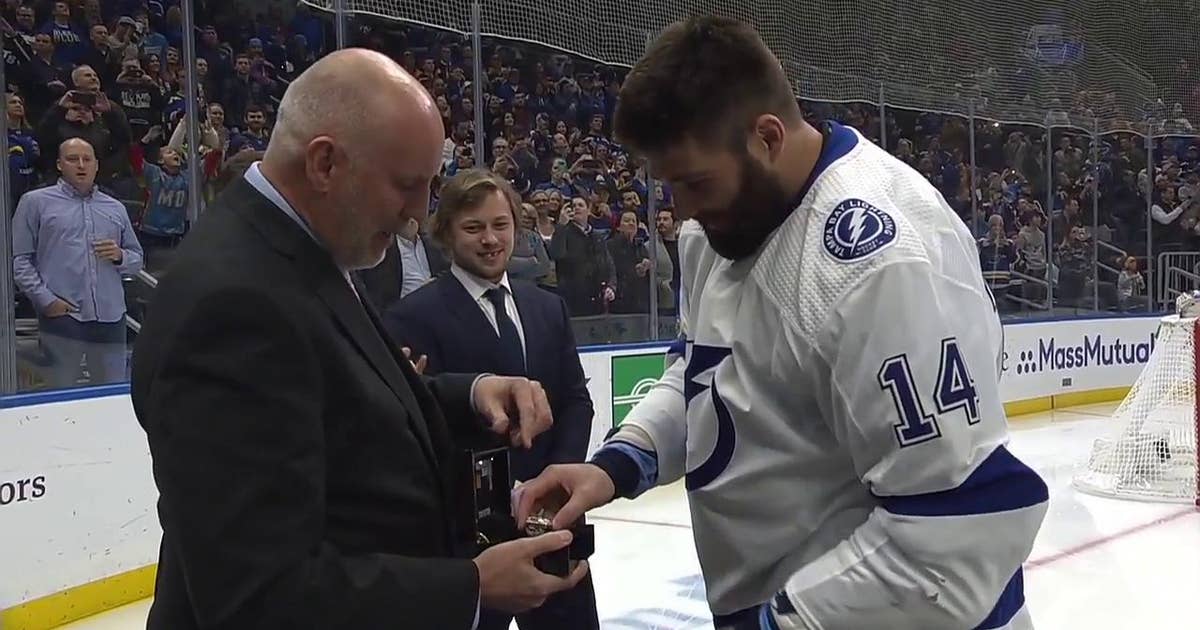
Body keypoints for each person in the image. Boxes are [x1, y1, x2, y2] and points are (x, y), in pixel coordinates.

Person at [515, 16, 1048, 630]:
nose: (679, 209)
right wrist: (614, 467)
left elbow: (961, 533)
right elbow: (703, 373)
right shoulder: (723, 220)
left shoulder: (882, 266)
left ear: (767, 137)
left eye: (693, 182)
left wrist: (775, 624)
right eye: (667, 186)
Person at [130, 49, 587, 630]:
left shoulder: (301, 253)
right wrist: (470, 589)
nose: (419, 215)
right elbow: (262, 596)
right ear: (324, 164)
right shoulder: (234, 303)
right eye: (406, 185)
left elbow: (348, 405)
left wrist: (471, 393)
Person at [384, 168, 599, 630]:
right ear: (445, 233)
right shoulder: (412, 317)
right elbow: (422, 422)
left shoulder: (547, 306)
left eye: (500, 225)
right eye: (473, 227)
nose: (490, 239)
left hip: (553, 523)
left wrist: (555, 480)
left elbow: (576, 402)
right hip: (469, 546)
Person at [12, 137, 143, 389]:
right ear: (60, 164)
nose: (81, 165)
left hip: (110, 316)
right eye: (73, 159)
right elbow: (20, 261)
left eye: (87, 159)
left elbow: (136, 259)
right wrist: (46, 302)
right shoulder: (35, 202)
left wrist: (120, 256)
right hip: (63, 316)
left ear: (96, 165)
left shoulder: (114, 207)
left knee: (110, 397)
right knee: (61, 396)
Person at [357, 215, 450, 313]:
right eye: (407, 217)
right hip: (403, 315)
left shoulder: (433, 244)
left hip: (439, 309)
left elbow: (448, 272)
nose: (412, 220)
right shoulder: (383, 249)